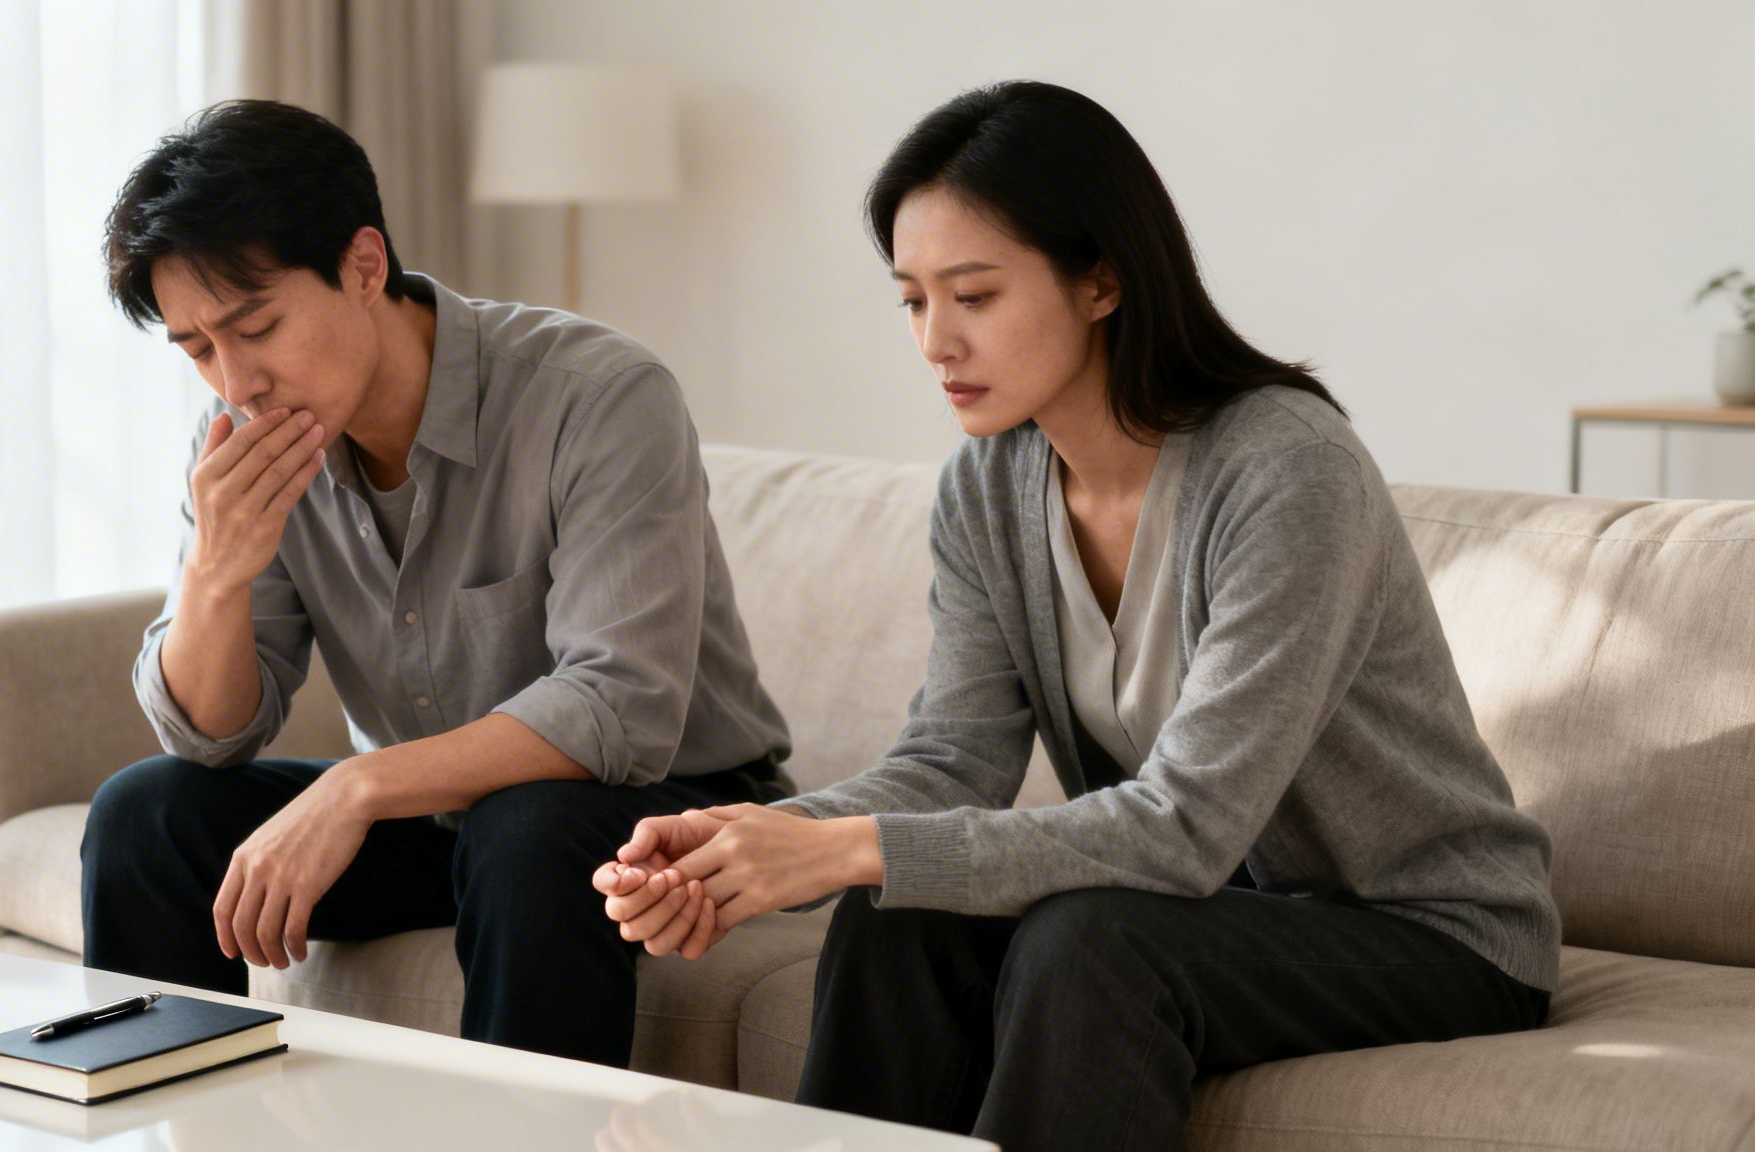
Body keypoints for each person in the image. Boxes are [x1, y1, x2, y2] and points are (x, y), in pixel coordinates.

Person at [594, 80, 1558, 1150]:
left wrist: (846, 848)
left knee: (1090, 943)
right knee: (895, 912)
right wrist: (765, 838)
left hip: (1423, 930)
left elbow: (1185, 830)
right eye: (912, 300)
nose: (934, 342)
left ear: (1099, 280)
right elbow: (949, 761)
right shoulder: (985, 490)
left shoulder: (1286, 472)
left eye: (973, 295)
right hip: (1203, 914)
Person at [80, 99, 791, 1070]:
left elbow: (618, 707)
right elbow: (211, 735)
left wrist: (356, 786)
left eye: (256, 326)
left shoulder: (597, 394)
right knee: (145, 815)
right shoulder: (246, 439)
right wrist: (214, 571)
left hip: (669, 807)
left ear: (363, 265)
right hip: (445, 818)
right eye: (197, 348)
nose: (234, 379)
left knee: (527, 830)